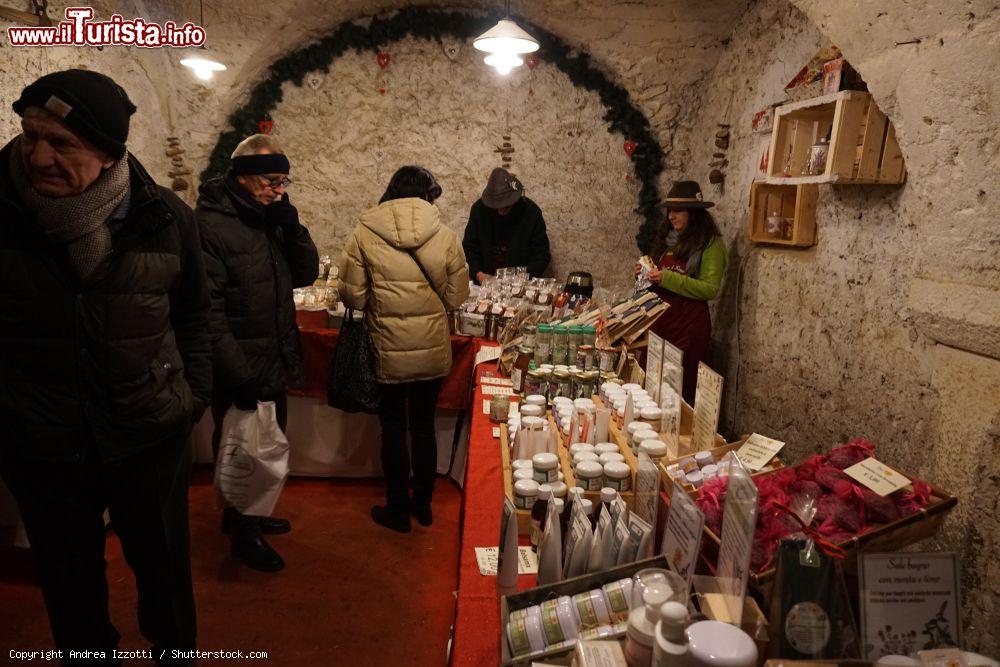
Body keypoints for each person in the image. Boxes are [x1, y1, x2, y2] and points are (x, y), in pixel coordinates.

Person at [0, 70, 210, 664]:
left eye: (62, 144)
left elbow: (194, 314)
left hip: (147, 433)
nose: (38, 155)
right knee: (71, 592)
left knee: (166, 575)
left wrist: (190, 398)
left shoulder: (163, 217)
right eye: (29, 134)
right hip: (40, 442)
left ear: (109, 152)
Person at [196, 134, 319, 571]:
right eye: (272, 181)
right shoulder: (211, 226)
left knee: (266, 443)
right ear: (243, 177)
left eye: (285, 181)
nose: (279, 189)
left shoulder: (267, 218)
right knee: (240, 447)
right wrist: (238, 373)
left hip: (272, 354)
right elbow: (205, 311)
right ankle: (243, 533)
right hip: (240, 365)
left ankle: (246, 517)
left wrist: (293, 226)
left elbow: (304, 275)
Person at [339, 166, 470, 533]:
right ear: (429, 195)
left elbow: (352, 295)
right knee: (424, 426)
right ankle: (423, 505)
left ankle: (397, 509)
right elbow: (458, 296)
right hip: (431, 347)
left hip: (388, 346)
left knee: (393, 428)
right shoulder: (444, 235)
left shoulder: (365, 233)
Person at [637, 180, 727, 404]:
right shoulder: (667, 241)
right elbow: (658, 279)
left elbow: (710, 288)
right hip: (662, 322)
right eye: (670, 210)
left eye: (677, 211)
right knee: (653, 381)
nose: (671, 216)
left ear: (694, 213)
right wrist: (645, 273)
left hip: (689, 325)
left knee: (681, 386)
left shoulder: (711, 244)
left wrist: (667, 278)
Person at [463, 167, 550, 283]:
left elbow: (541, 256)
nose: (500, 211)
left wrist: (520, 277)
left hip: (520, 285)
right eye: (495, 206)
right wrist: (479, 274)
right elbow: (469, 248)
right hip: (484, 283)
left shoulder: (531, 213)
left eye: (506, 206)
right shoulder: (479, 210)